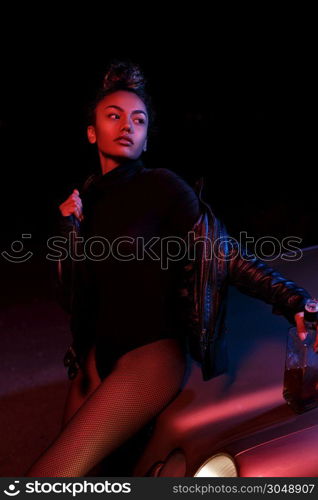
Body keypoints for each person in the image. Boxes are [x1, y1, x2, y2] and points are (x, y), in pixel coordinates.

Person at [25, 60, 315, 477]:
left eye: (138, 120)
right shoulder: (87, 200)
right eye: (114, 116)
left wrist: (292, 298)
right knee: (87, 479)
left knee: (51, 475)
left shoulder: (161, 186)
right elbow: (72, 298)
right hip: (93, 360)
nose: (127, 125)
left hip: (149, 358)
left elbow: (225, 253)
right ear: (92, 133)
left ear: (144, 140)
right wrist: (68, 228)